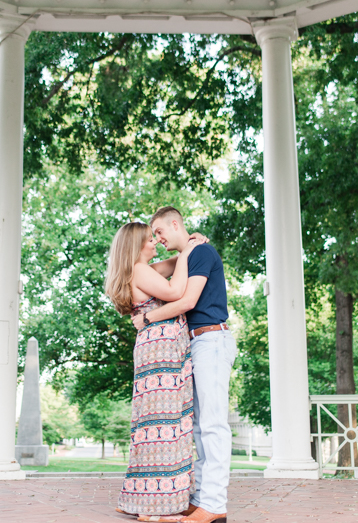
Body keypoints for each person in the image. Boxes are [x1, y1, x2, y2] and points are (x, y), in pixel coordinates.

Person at [132, 207, 233, 523]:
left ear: (175, 224)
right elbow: (156, 273)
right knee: (201, 426)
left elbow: (186, 301)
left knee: (214, 424)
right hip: (196, 343)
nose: (158, 239)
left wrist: (147, 317)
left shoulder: (202, 252)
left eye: (159, 232)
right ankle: (202, 499)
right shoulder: (191, 254)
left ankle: (214, 505)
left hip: (211, 340)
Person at [105, 221, 206, 523]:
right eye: (150, 239)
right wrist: (189, 252)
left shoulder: (141, 269)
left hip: (154, 346)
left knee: (151, 424)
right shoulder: (140, 270)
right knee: (164, 424)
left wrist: (190, 244)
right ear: (137, 246)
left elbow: (175, 262)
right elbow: (176, 291)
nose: (155, 243)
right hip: (160, 348)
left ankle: (138, 497)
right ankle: (154, 508)